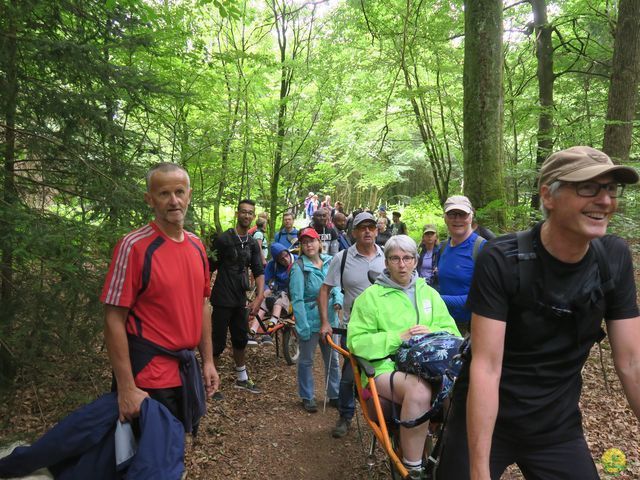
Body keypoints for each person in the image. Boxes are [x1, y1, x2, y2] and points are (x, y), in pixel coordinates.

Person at [437, 146, 640, 479]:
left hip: (555, 426)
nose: (605, 200)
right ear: (548, 195)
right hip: (487, 421)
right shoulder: (503, 259)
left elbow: (633, 361)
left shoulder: (613, 258)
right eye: (588, 187)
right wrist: (478, 470)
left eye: (610, 189)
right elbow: (487, 367)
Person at [101, 162, 218, 436]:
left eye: (179, 192)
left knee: (174, 451)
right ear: (149, 199)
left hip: (185, 371)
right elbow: (113, 319)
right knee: (150, 459)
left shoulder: (196, 246)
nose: (174, 200)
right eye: (164, 194)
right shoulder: (135, 247)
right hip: (149, 377)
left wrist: (208, 361)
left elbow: (202, 305)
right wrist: (127, 387)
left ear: (189, 195)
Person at [347, 235, 460, 479]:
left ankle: (454, 457)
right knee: (419, 391)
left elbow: (453, 334)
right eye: (395, 258)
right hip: (384, 368)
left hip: (429, 366)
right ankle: (412, 469)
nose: (402, 264)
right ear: (385, 262)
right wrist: (399, 336)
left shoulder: (429, 293)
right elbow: (356, 343)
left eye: (407, 258)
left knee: (464, 386)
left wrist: (434, 332)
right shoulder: (370, 298)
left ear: (415, 261)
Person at [319, 211, 386, 438]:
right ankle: (346, 416)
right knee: (350, 376)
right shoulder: (343, 257)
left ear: (377, 230)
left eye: (371, 227)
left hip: (385, 329)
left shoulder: (388, 256)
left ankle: (383, 416)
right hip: (353, 328)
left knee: (384, 373)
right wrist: (326, 322)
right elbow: (325, 288)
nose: (367, 231)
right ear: (354, 232)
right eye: (362, 227)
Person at [209, 199, 265, 394]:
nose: (247, 216)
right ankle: (211, 383)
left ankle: (242, 378)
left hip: (240, 299)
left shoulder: (252, 243)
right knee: (217, 340)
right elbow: (209, 266)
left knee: (240, 338)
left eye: (250, 213)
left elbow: (259, 271)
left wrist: (258, 298)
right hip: (222, 297)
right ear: (237, 213)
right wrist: (201, 293)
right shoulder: (224, 239)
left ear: (253, 216)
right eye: (243, 212)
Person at [289, 228, 343, 413]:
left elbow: (335, 287)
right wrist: (302, 325)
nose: (308, 245)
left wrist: (338, 300)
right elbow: (297, 298)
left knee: (333, 359)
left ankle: (334, 394)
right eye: (304, 243)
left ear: (319, 242)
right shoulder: (299, 267)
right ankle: (307, 395)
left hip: (330, 318)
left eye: (311, 241)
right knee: (306, 360)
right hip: (309, 320)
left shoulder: (329, 262)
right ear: (301, 247)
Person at [436, 195, 486, 335]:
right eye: (452, 214)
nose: (457, 219)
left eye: (462, 214)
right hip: (443, 323)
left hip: (472, 327)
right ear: (445, 218)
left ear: (471, 216)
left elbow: (482, 297)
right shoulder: (443, 247)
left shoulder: (482, 248)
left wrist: (436, 298)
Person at [248, 242, 295, 346]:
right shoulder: (272, 265)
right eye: (281, 259)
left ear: (288, 253)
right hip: (275, 292)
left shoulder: (297, 261)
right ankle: (252, 331)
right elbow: (264, 280)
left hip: (290, 295)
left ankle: (269, 332)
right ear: (277, 260)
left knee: (278, 303)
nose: (285, 260)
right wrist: (265, 291)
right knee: (263, 304)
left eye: (286, 256)